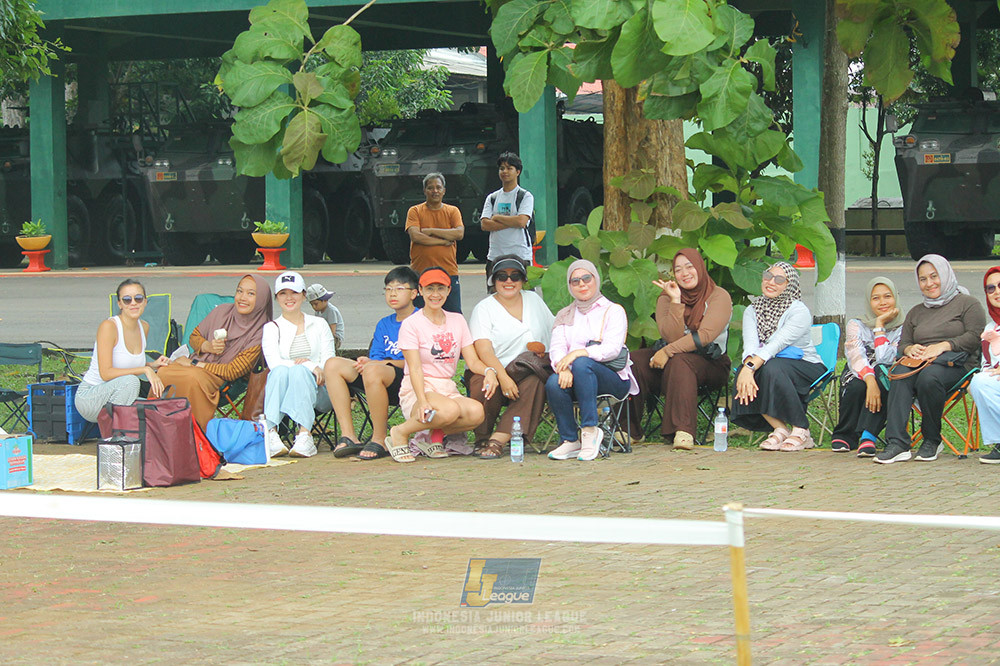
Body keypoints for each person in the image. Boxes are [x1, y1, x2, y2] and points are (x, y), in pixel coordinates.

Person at [877, 255, 985, 464]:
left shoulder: (968, 304)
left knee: (929, 377)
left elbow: (975, 336)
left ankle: (932, 440)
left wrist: (943, 346)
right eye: (923, 279)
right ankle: (898, 443)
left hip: (958, 364)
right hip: (920, 364)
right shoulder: (916, 312)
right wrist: (910, 349)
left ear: (945, 275)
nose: (929, 283)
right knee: (899, 374)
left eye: (934, 276)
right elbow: (902, 345)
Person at [388, 267, 494, 463]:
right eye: (429, 289)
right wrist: (422, 401)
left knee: (476, 413)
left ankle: (429, 438)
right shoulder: (411, 324)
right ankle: (400, 432)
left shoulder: (457, 320)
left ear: (448, 291)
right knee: (449, 411)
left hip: (446, 387)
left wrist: (489, 371)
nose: (435, 294)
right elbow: (415, 368)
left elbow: (471, 361)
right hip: (419, 386)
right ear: (420, 291)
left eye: (440, 288)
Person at [629, 249, 732, 450]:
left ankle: (683, 430)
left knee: (680, 361)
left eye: (689, 267)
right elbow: (671, 337)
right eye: (678, 269)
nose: (684, 273)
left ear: (700, 268)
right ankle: (629, 429)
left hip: (711, 363)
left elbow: (705, 336)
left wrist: (667, 352)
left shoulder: (719, 296)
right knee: (634, 361)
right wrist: (676, 301)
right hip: (674, 364)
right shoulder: (666, 298)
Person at [546, 260, 639, 462]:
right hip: (577, 375)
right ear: (570, 286)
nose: (582, 284)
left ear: (595, 279)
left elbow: (612, 349)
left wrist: (579, 353)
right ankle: (570, 440)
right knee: (553, 382)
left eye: (587, 278)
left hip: (612, 378)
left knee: (582, 363)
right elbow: (557, 348)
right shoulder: (565, 314)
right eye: (575, 281)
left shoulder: (613, 310)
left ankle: (590, 430)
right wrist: (562, 368)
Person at [323, 266, 418, 460]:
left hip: (409, 379)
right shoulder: (384, 323)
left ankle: (380, 438)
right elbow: (377, 358)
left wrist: (379, 364)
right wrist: (367, 361)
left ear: (414, 293)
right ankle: (349, 435)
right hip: (377, 377)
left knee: (374, 370)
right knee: (333, 364)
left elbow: (419, 362)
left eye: (399, 289)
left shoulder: (421, 320)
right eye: (388, 289)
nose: (392, 294)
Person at [731, 261, 827, 451]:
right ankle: (780, 429)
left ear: (788, 285)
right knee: (748, 371)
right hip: (770, 365)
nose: (771, 282)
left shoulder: (799, 311)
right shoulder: (753, 309)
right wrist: (747, 368)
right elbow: (750, 347)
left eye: (779, 279)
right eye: (768, 276)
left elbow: (775, 345)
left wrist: (750, 368)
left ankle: (801, 430)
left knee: (768, 368)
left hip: (806, 366)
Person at [466, 256, 555, 459]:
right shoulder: (484, 308)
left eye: (515, 276)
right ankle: (482, 437)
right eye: (501, 276)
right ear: (492, 280)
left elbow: (555, 329)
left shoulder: (534, 300)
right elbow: (484, 350)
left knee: (536, 382)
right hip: (493, 367)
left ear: (523, 280)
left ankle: (498, 440)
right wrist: (502, 377)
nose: (508, 281)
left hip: (529, 368)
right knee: (484, 384)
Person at [157, 274, 272, 430]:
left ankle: (192, 435)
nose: (242, 298)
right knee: (163, 373)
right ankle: (158, 431)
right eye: (239, 291)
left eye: (251, 294)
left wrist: (195, 363)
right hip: (194, 366)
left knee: (191, 377)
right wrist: (207, 346)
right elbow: (195, 336)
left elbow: (232, 371)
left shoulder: (262, 331)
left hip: (223, 381)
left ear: (261, 299)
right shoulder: (222, 312)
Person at [260, 271, 336, 459]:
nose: (289, 298)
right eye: (283, 293)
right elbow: (274, 362)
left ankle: (304, 435)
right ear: (276, 298)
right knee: (279, 372)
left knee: (299, 372)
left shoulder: (319, 324)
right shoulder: (271, 328)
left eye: (294, 292)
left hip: (320, 391)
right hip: (285, 388)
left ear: (303, 295)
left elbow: (328, 361)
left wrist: (308, 367)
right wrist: (309, 366)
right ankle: (271, 433)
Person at [74, 279, 169, 423]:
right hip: (90, 396)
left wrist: (152, 365)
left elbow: (126, 365)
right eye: (127, 300)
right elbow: (106, 373)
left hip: (118, 395)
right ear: (119, 304)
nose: (133, 303)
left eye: (138, 298)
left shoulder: (144, 327)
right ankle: (116, 437)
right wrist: (145, 370)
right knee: (131, 382)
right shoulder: (109, 326)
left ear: (145, 302)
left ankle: (130, 436)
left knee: (156, 407)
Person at [830, 278, 903, 457]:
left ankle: (868, 436)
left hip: (887, 371)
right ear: (868, 301)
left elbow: (885, 357)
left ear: (896, 298)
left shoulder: (903, 327)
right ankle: (845, 433)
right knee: (857, 385)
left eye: (888, 296)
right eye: (876, 298)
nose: (882, 302)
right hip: (859, 370)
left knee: (884, 377)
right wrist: (870, 380)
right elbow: (856, 357)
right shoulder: (857, 324)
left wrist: (879, 326)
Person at [405, 172, 464, 313]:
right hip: (420, 272)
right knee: (420, 315)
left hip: (448, 272)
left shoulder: (452, 211)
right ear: (425, 190)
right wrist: (443, 241)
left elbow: (459, 233)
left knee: (453, 314)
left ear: (444, 190)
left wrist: (431, 230)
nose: (435, 191)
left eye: (438, 187)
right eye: (430, 188)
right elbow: (416, 236)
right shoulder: (415, 211)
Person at [480, 151, 534, 284]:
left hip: (520, 255)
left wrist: (497, 217)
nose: (505, 171)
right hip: (495, 256)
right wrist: (512, 220)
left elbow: (522, 221)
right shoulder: (492, 198)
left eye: (509, 168)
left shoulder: (525, 196)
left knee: (523, 296)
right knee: (495, 297)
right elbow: (485, 225)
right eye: (502, 168)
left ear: (518, 172)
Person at [970, 267, 1000, 464]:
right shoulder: (990, 329)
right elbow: (986, 365)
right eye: (991, 288)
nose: (996, 291)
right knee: (979, 381)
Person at [305, 283, 345, 350]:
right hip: (324, 334)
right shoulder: (318, 310)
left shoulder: (331, 311)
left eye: (315, 304)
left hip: (335, 338)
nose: (314, 307)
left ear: (325, 300)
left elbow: (332, 331)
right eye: (312, 304)